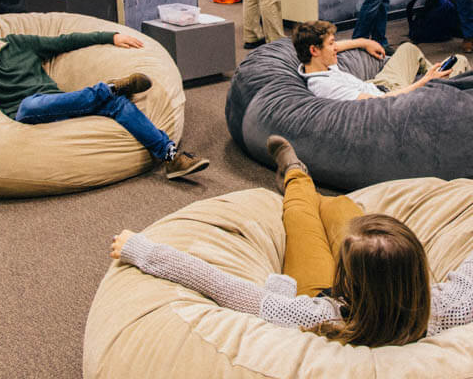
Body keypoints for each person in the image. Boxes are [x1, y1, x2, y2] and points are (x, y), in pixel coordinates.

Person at [110, 136, 473, 347]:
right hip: (369, 275)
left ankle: (295, 172)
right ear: (416, 271)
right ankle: (319, 192)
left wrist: (142, 249)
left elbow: (221, 285)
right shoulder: (453, 307)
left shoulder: (317, 315)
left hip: (320, 289)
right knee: (344, 207)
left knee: (301, 218)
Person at [0, 3, 209, 180]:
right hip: (28, 113)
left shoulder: (18, 43)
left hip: (61, 103)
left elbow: (66, 41)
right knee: (31, 105)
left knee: (118, 104)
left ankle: (170, 156)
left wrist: (111, 37)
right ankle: (107, 88)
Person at [293, 20, 471, 100]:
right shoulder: (325, 86)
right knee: (461, 60)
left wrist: (364, 42)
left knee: (408, 48)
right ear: (314, 50)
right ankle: (440, 87)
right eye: (331, 44)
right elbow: (379, 102)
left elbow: (340, 46)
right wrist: (424, 83)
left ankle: (438, 79)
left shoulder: (314, 64)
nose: (336, 48)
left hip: (379, 82)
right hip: (391, 94)